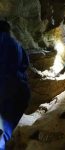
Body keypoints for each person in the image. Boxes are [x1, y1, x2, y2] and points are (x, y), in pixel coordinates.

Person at [0, 20, 31, 149]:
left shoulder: (1, 40)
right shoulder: (18, 45)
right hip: (21, 88)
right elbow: (26, 64)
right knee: (7, 127)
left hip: (4, 88)